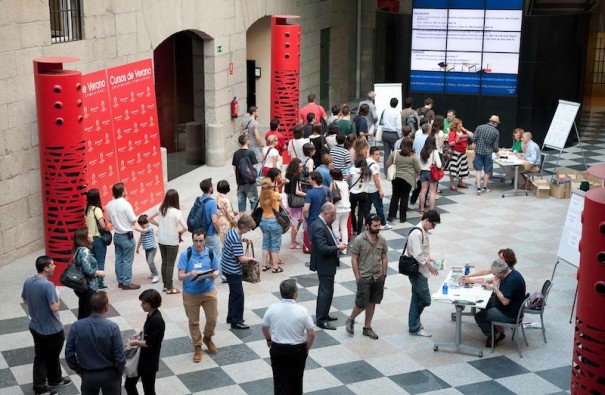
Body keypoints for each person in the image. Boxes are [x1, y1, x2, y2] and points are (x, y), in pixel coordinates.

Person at [22, 256, 71, 395]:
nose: (55, 266)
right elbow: (55, 307)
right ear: (46, 268)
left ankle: (55, 379)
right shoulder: (48, 286)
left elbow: (25, 300)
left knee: (47, 355)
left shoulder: (29, 281)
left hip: (35, 325)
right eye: (52, 265)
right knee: (44, 357)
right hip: (51, 329)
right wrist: (58, 295)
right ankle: (40, 387)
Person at [262, 279, 316, 395]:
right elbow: (311, 333)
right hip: (297, 350)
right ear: (295, 293)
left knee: (279, 380)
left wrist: (269, 339)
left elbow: (265, 327)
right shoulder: (302, 311)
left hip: (278, 349)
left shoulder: (272, 308)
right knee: (296, 382)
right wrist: (307, 347)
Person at [65, 291, 125, 395]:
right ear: (106, 305)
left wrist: (79, 370)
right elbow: (119, 355)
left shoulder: (77, 326)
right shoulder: (112, 327)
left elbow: (69, 353)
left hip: (88, 374)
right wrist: (119, 371)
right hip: (110, 374)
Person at [177, 229, 220, 362]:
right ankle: (197, 347)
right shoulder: (186, 254)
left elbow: (216, 269)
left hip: (208, 291)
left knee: (212, 319)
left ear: (205, 240)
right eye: (195, 240)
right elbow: (180, 276)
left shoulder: (210, 253)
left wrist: (215, 274)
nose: (198, 243)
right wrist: (190, 274)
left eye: (201, 240)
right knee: (193, 322)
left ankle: (207, 337)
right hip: (191, 293)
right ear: (192, 240)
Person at [345, 214, 388, 340]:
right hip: (364, 276)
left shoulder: (381, 240)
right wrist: (357, 277)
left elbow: (384, 257)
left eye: (379, 225)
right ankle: (351, 318)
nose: (378, 227)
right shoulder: (359, 240)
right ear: (367, 226)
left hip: (378, 276)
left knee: (373, 302)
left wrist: (384, 274)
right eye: (375, 225)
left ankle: (367, 327)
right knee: (362, 303)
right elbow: (354, 259)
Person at [309, 203, 347, 330]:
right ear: (324, 214)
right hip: (324, 264)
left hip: (327, 264)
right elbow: (322, 248)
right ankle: (321, 319)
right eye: (332, 215)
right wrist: (337, 247)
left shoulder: (323, 224)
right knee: (325, 292)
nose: (334, 217)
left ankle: (324, 314)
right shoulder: (319, 226)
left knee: (327, 291)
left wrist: (336, 242)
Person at [403, 210, 441, 337]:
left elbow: (422, 252)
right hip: (417, 271)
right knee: (425, 299)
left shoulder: (422, 232)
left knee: (416, 298)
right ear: (427, 220)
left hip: (420, 270)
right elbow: (418, 255)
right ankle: (414, 323)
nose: (433, 227)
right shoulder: (417, 233)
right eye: (433, 224)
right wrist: (430, 266)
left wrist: (431, 259)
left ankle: (414, 325)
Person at [474, 259, 527, 347]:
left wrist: (495, 287)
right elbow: (504, 291)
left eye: (495, 274)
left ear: (502, 272)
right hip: (511, 308)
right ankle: (497, 327)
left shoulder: (511, 281)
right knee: (484, 304)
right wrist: (491, 287)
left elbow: (505, 301)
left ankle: (495, 334)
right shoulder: (511, 273)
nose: (494, 275)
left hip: (509, 314)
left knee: (479, 316)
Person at [124, 289, 166, 395]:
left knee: (148, 389)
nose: (142, 305)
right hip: (143, 359)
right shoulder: (151, 315)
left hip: (149, 362)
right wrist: (140, 333)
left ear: (151, 303)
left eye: (144, 303)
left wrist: (135, 343)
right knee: (130, 385)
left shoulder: (156, 320)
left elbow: (149, 343)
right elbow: (149, 332)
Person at [148, 189, 187, 295]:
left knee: (164, 262)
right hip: (172, 241)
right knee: (170, 264)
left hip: (161, 239)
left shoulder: (161, 207)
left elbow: (149, 218)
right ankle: (170, 287)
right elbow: (186, 227)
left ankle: (166, 285)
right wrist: (180, 232)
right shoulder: (177, 212)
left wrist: (158, 225)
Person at [221, 214, 256, 330]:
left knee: (233, 294)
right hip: (233, 270)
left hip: (226, 267)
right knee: (238, 296)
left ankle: (231, 316)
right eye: (248, 228)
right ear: (242, 226)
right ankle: (236, 320)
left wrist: (244, 240)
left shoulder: (232, 231)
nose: (248, 230)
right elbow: (240, 258)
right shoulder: (236, 239)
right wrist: (251, 259)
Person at [106, 182, 139, 289]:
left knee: (119, 259)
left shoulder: (109, 204)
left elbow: (109, 220)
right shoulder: (126, 204)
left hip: (117, 235)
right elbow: (133, 220)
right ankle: (127, 283)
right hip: (126, 236)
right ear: (122, 192)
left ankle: (120, 281)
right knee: (127, 260)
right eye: (125, 189)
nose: (127, 191)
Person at [72, 227, 105, 319]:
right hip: (88, 287)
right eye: (89, 234)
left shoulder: (78, 250)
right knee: (89, 313)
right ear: (84, 238)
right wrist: (99, 273)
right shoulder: (84, 251)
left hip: (82, 286)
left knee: (83, 310)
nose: (91, 235)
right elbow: (88, 270)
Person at [387, 137, 420, 223]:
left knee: (395, 196)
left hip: (396, 177)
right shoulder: (413, 157)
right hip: (407, 179)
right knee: (404, 197)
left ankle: (391, 216)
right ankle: (402, 217)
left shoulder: (394, 154)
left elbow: (388, 164)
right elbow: (417, 168)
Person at [198, 178, 225, 282]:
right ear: (210, 188)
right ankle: (222, 276)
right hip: (210, 233)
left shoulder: (199, 200)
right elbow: (214, 220)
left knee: (205, 254)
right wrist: (218, 231)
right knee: (217, 255)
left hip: (201, 233)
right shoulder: (211, 202)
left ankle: (205, 274)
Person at [84, 188, 109, 289]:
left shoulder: (86, 208)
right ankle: (100, 283)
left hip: (89, 238)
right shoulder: (97, 210)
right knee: (100, 261)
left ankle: (93, 282)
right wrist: (107, 227)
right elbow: (102, 226)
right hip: (98, 239)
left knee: (93, 261)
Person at [259, 177, 284, 273]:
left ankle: (264, 265)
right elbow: (279, 207)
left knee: (265, 243)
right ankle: (275, 266)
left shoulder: (261, 195)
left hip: (263, 220)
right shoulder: (275, 195)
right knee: (275, 244)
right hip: (273, 221)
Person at [473, 115, 500, 195]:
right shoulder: (496, 132)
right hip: (488, 153)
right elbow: (495, 146)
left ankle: (478, 189)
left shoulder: (479, 127)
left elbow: (474, 139)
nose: (497, 125)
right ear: (494, 123)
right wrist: (497, 152)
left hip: (478, 152)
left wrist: (478, 142)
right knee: (487, 171)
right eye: (497, 123)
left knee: (478, 171)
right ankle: (484, 188)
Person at [232, 134, 259, 212]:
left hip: (240, 181)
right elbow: (255, 166)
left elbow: (234, 167)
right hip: (250, 181)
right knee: (253, 200)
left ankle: (242, 220)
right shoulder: (250, 153)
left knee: (241, 202)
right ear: (247, 141)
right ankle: (253, 219)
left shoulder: (236, 153)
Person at [367, 147, 391, 230]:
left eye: (379, 154)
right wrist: (380, 189)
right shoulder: (374, 165)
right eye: (376, 154)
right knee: (379, 207)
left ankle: (368, 223)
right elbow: (376, 178)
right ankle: (383, 223)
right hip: (374, 189)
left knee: (367, 208)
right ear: (371, 154)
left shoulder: (366, 161)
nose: (378, 156)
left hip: (366, 189)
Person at [446, 118, 473, 191]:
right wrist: (457, 141)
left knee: (462, 168)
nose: (461, 125)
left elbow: (472, 135)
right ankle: (452, 184)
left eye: (461, 124)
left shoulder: (463, 132)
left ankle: (460, 183)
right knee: (453, 169)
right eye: (459, 124)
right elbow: (450, 143)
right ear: (455, 125)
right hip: (455, 153)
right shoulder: (453, 133)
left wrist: (465, 130)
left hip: (463, 153)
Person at [285, 159, 306, 249]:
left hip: (290, 200)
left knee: (298, 221)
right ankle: (292, 243)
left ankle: (293, 241)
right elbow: (296, 191)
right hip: (295, 201)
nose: (301, 168)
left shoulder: (289, 174)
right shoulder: (296, 176)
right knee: (296, 222)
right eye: (300, 167)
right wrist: (307, 194)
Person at [418, 136, 442, 213]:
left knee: (423, 191)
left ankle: (422, 208)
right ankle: (431, 209)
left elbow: (419, 163)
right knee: (432, 192)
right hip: (431, 173)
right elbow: (439, 165)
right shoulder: (434, 152)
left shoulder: (422, 151)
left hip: (423, 172)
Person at [379, 97, 402, 175]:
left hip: (385, 133)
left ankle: (386, 172)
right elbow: (398, 126)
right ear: (397, 104)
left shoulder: (385, 111)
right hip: (394, 134)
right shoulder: (397, 113)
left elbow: (381, 121)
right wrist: (400, 136)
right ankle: (393, 173)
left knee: (386, 154)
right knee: (395, 154)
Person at [348, 158, 371, 234]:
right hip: (364, 193)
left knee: (352, 211)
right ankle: (359, 231)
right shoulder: (368, 171)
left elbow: (346, 179)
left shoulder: (353, 170)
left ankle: (354, 228)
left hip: (353, 193)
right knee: (361, 213)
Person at [330, 168, 351, 254]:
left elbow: (330, 195)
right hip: (346, 208)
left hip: (337, 208)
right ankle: (345, 248)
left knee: (335, 228)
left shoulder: (333, 183)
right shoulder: (345, 182)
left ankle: (337, 245)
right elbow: (348, 194)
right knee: (344, 227)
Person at [135, 215, 160, 284]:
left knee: (150, 262)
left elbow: (143, 230)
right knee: (149, 262)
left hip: (152, 249)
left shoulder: (149, 228)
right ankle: (153, 273)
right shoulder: (143, 230)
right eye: (141, 225)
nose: (142, 226)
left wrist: (135, 228)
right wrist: (137, 247)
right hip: (147, 249)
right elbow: (140, 239)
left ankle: (156, 275)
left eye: (143, 224)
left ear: (148, 222)